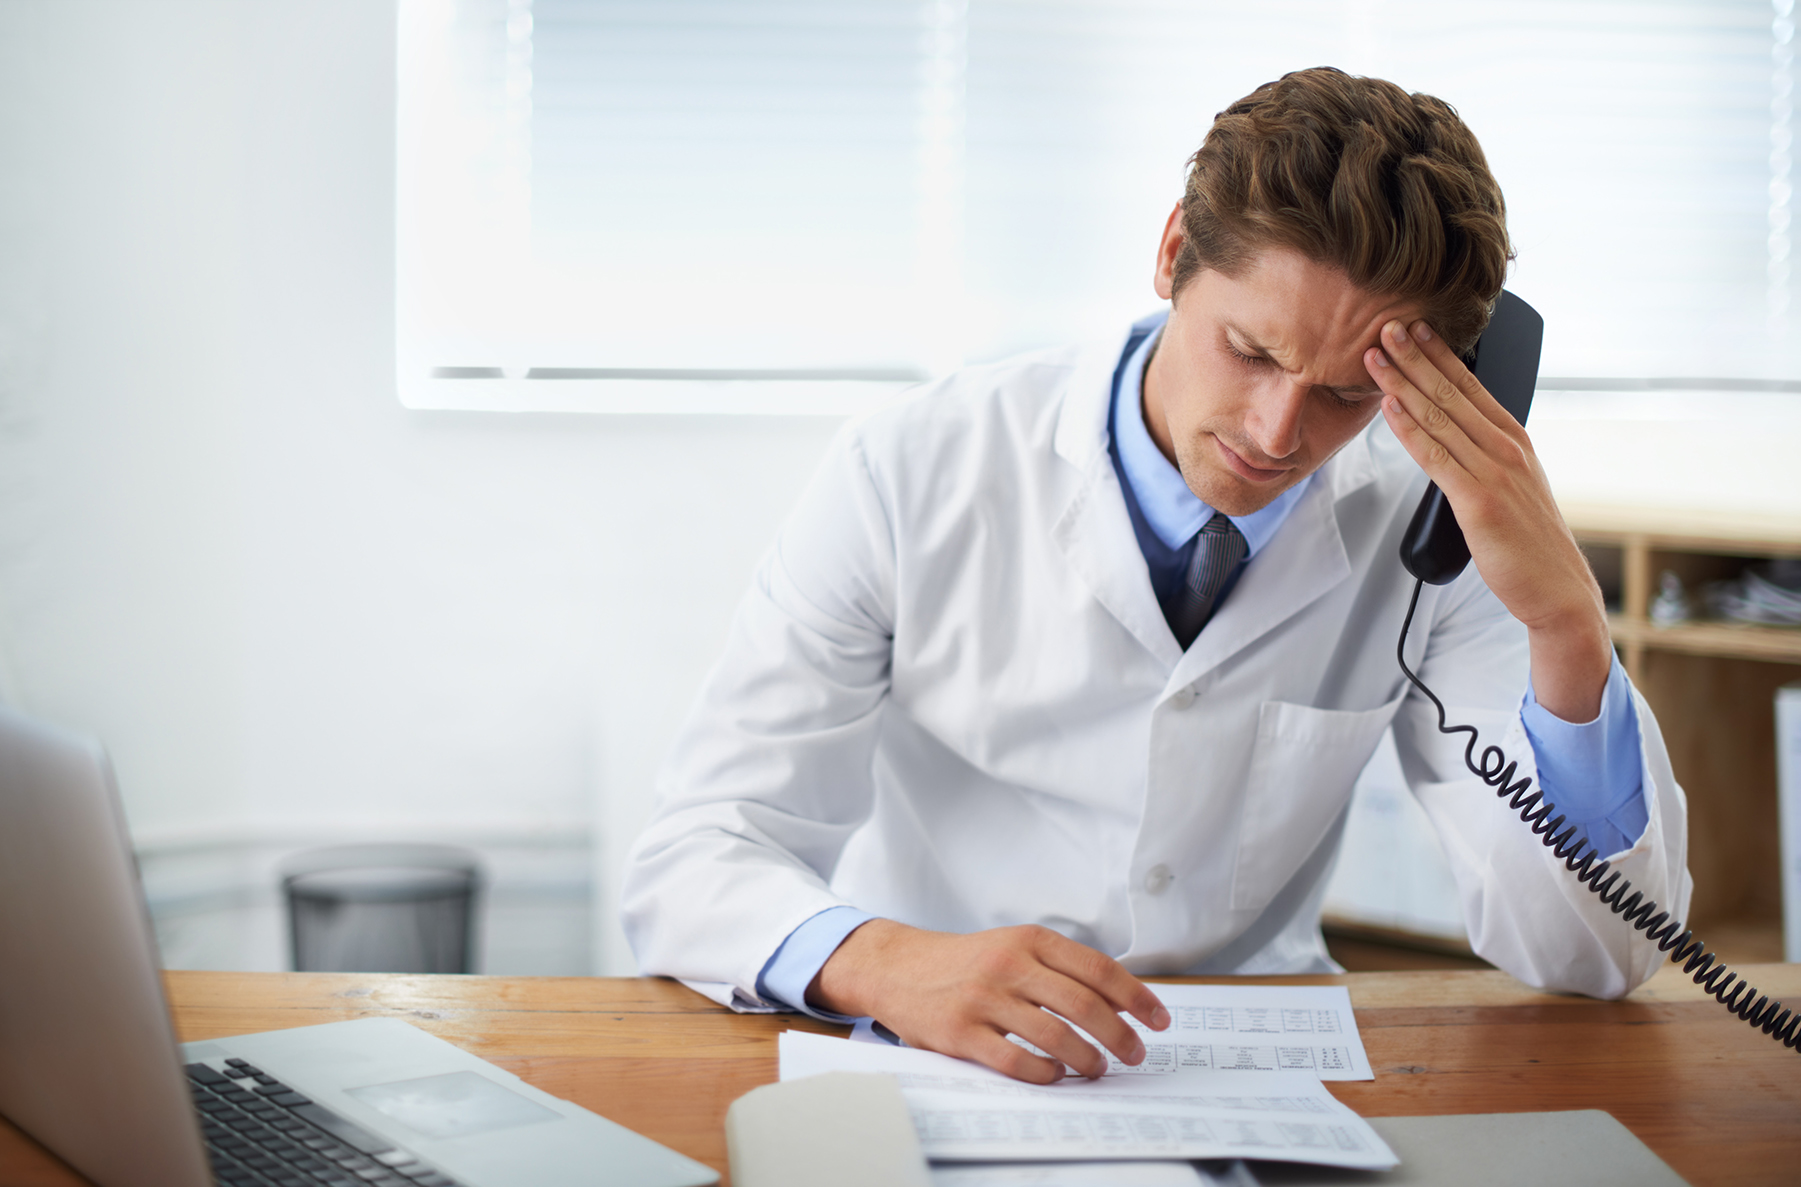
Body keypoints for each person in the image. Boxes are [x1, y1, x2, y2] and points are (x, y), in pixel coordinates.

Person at [621, 67, 1690, 1085]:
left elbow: (1594, 959)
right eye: (1253, 351)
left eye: (1341, 396)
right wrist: (883, 959)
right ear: (1175, 250)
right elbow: (697, 854)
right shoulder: (911, 465)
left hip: (1257, 1072)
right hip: (925, 1045)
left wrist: (1564, 627)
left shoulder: (1433, 530)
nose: (1277, 433)